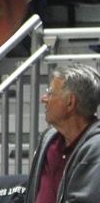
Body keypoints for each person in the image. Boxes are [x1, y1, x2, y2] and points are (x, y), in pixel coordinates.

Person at [24, 64, 100, 203]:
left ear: (70, 102)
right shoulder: (48, 139)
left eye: (50, 93)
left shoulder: (96, 148)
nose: (43, 99)